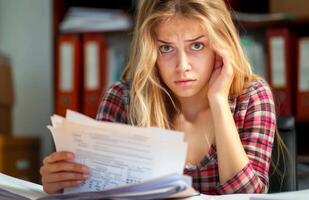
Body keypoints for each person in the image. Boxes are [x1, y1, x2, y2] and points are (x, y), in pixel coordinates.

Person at [40, 0, 279, 195]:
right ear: (150, 51)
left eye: (196, 46)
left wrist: (218, 101)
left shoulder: (252, 97)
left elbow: (247, 195)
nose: (182, 66)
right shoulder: (123, 99)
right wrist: (63, 185)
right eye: (166, 48)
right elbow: (100, 192)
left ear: (221, 47)